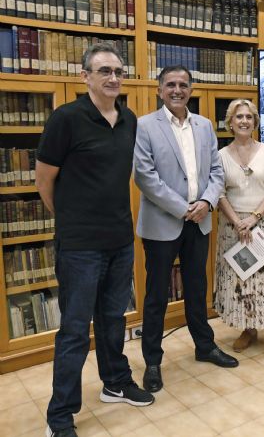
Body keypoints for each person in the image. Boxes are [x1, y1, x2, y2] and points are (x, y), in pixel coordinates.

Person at [36, 43, 154, 437]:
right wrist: (72, 221)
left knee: (113, 319)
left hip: (119, 239)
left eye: (118, 71)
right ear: (85, 76)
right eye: (104, 70)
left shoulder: (129, 119)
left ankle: (115, 382)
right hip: (79, 247)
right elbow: (44, 180)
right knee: (74, 330)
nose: (113, 78)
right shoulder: (66, 119)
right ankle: (60, 416)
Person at [134, 65, 239, 393]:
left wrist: (206, 202)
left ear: (191, 90)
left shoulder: (204, 126)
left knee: (197, 288)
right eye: (170, 85)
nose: (177, 90)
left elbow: (217, 171)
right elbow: (145, 177)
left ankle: (204, 346)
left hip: (200, 220)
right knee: (156, 295)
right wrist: (184, 209)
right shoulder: (144, 126)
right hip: (163, 223)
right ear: (159, 90)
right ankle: (152, 361)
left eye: (182, 85)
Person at [214, 99, 264, 363]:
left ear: (255, 122)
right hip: (234, 227)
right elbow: (219, 193)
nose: (244, 121)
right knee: (241, 279)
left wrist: (254, 218)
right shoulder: (221, 155)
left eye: (248, 117)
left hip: (263, 224)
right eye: (239, 117)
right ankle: (249, 328)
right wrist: (238, 221)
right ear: (230, 122)